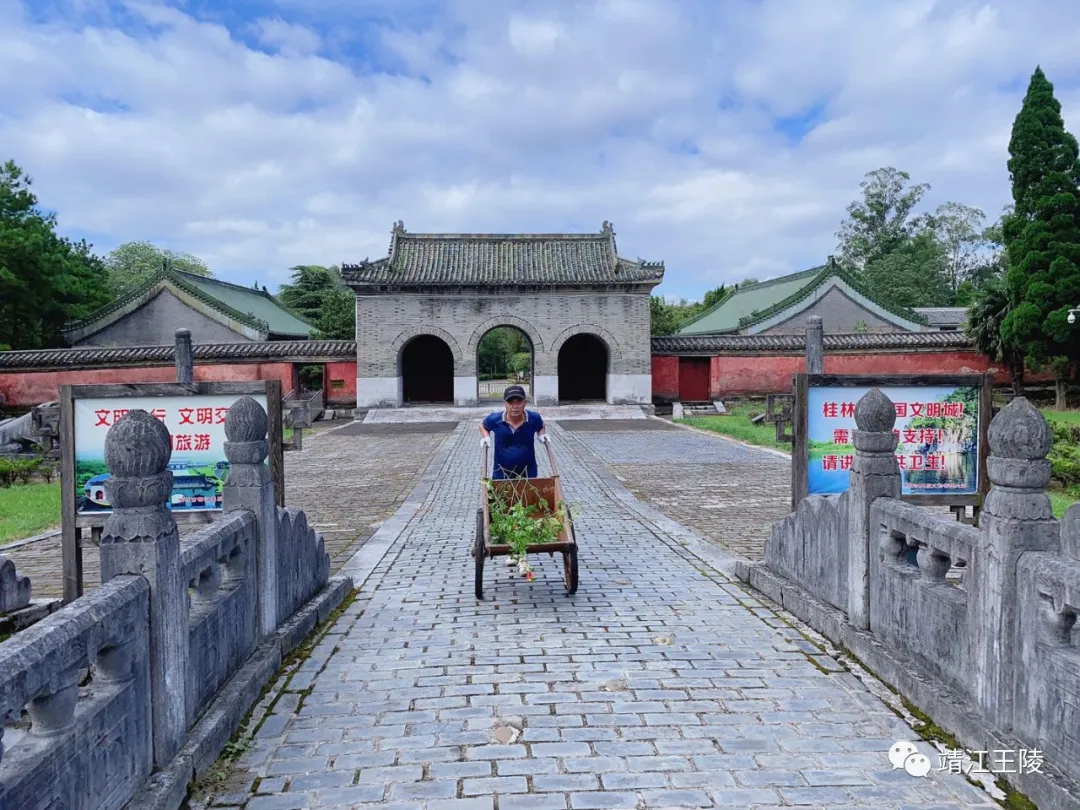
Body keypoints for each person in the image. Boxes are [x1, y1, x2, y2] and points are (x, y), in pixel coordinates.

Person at [479, 384, 548, 480]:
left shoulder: (534, 418)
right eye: (510, 402)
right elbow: (482, 425)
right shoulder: (495, 419)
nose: (515, 406)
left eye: (519, 402)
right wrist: (486, 436)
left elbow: (541, 425)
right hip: (501, 474)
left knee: (528, 495)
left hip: (528, 474)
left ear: (525, 403)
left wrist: (542, 434)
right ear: (505, 403)